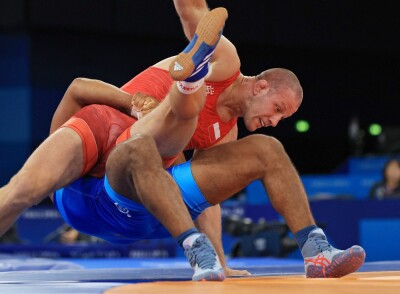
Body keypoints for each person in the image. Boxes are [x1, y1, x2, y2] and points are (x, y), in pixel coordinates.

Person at [0, 1, 365, 281]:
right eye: (278, 109)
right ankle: (189, 80)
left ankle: (316, 251)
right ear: (261, 85)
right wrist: (128, 106)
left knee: (262, 150)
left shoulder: (229, 133)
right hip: (96, 150)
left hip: (137, 181)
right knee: (22, 190)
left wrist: (221, 262)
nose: (274, 121)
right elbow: (192, 9)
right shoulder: (229, 59)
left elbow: (207, 200)